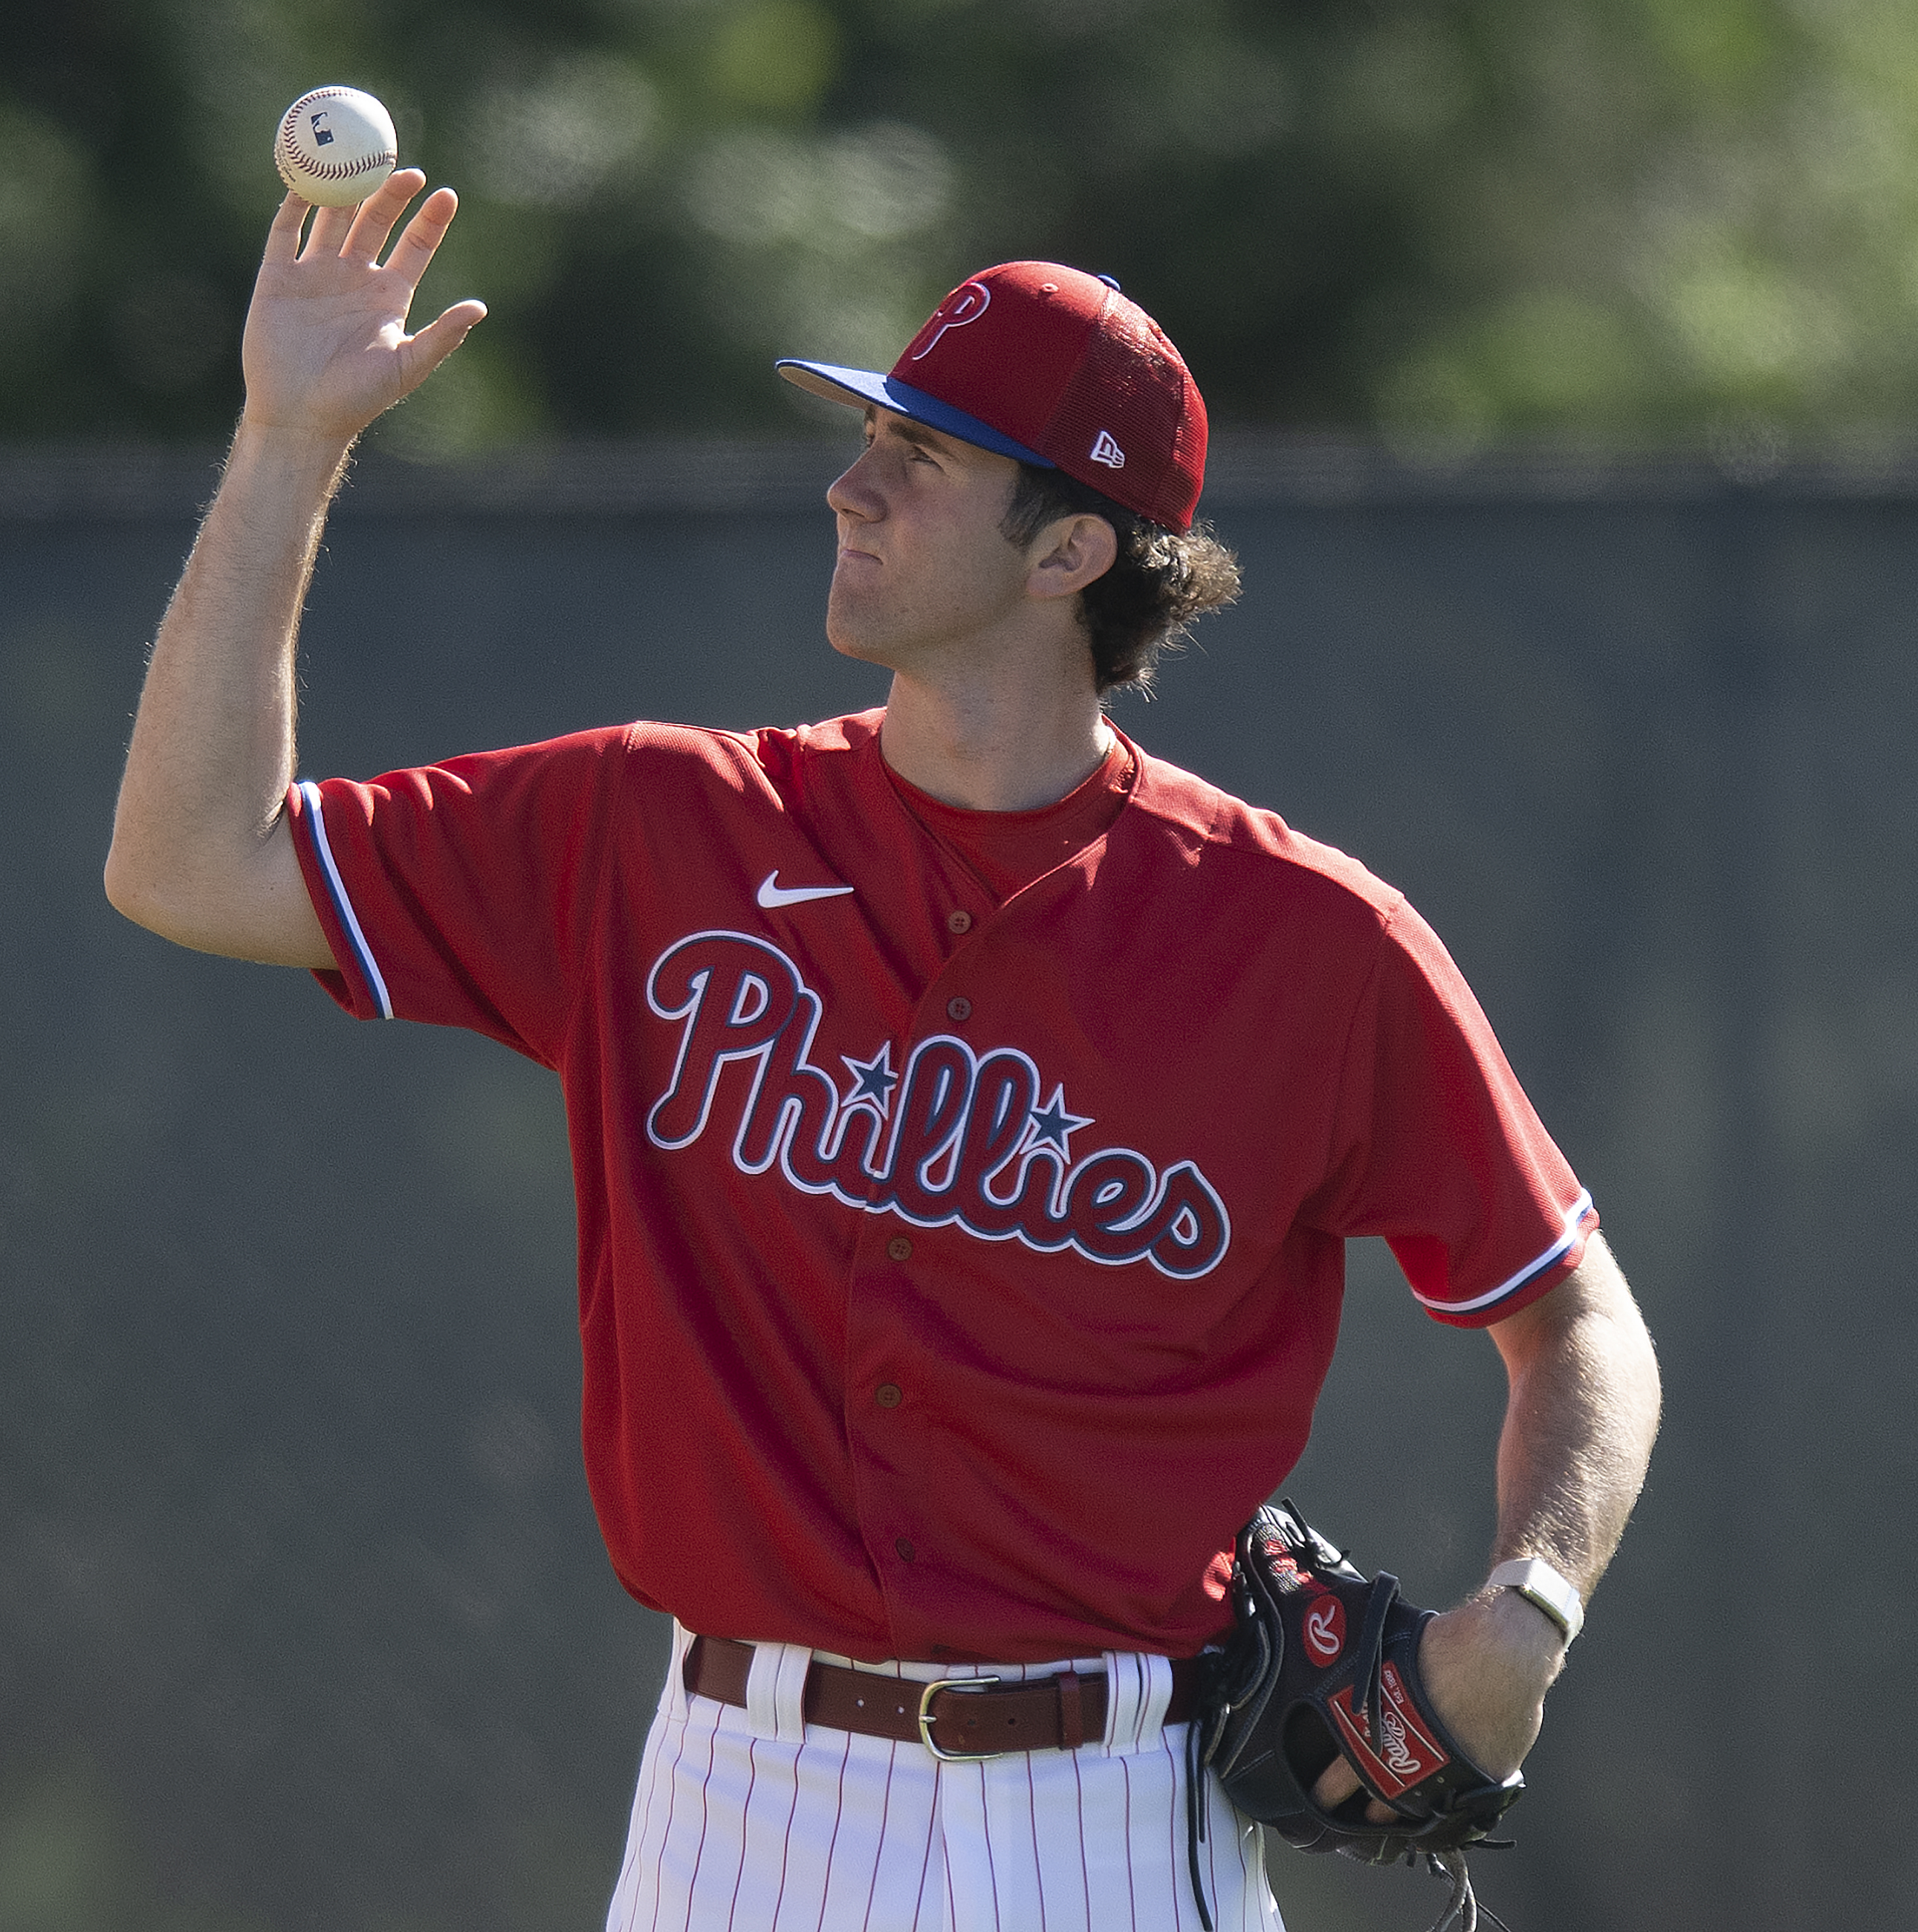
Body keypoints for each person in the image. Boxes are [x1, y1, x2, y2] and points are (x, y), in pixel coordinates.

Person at [103, 171, 1661, 1932]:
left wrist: (1528, 1611)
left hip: (1111, 1811)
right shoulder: (656, 825)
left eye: (923, 458)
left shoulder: (1307, 943)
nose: (852, 481)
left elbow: (1574, 1308)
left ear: (1073, 547)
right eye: (871, 434)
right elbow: (185, 860)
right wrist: (287, 435)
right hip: (736, 1796)